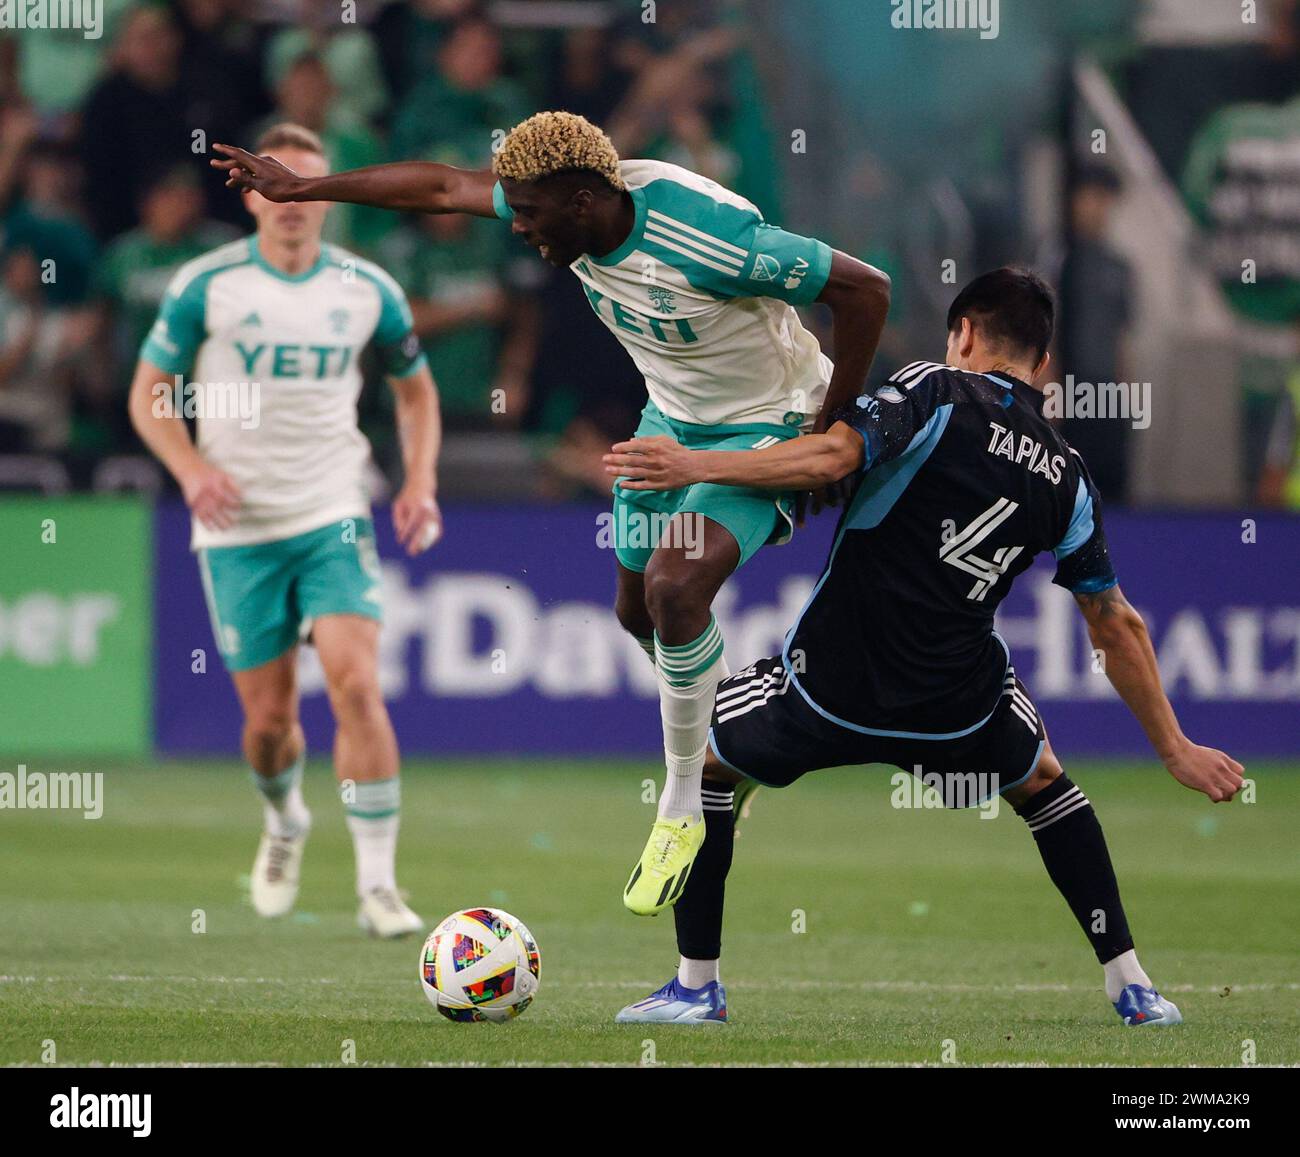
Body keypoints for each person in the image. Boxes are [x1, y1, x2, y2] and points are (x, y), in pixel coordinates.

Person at [212, 110, 891, 918]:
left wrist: (827, 425)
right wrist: (304, 186)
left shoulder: (707, 237)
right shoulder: (562, 199)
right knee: (637, 611)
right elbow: (438, 185)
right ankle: (721, 730)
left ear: (580, 201)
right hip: (667, 421)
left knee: (677, 585)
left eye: (530, 214)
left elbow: (864, 287)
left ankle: (686, 798)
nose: (519, 227)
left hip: (768, 421)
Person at [602, 268, 1244, 1026]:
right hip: (955, 706)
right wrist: (1173, 747)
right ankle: (1133, 986)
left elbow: (829, 460)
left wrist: (698, 463)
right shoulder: (1068, 475)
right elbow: (1114, 621)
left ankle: (696, 985)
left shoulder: (933, 390)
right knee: (1044, 782)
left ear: (965, 332)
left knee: (704, 762)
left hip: (826, 686)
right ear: (1040, 363)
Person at [129, 124, 443, 938]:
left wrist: (419, 480)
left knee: (355, 683)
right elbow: (149, 393)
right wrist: (193, 471)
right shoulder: (209, 284)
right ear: (253, 193)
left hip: (332, 508)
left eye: (308, 186)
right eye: (278, 185)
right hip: (239, 527)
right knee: (269, 725)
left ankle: (378, 884)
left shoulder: (369, 288)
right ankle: (284, 821)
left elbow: (415, 391)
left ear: (327, 197)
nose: (293, 202)